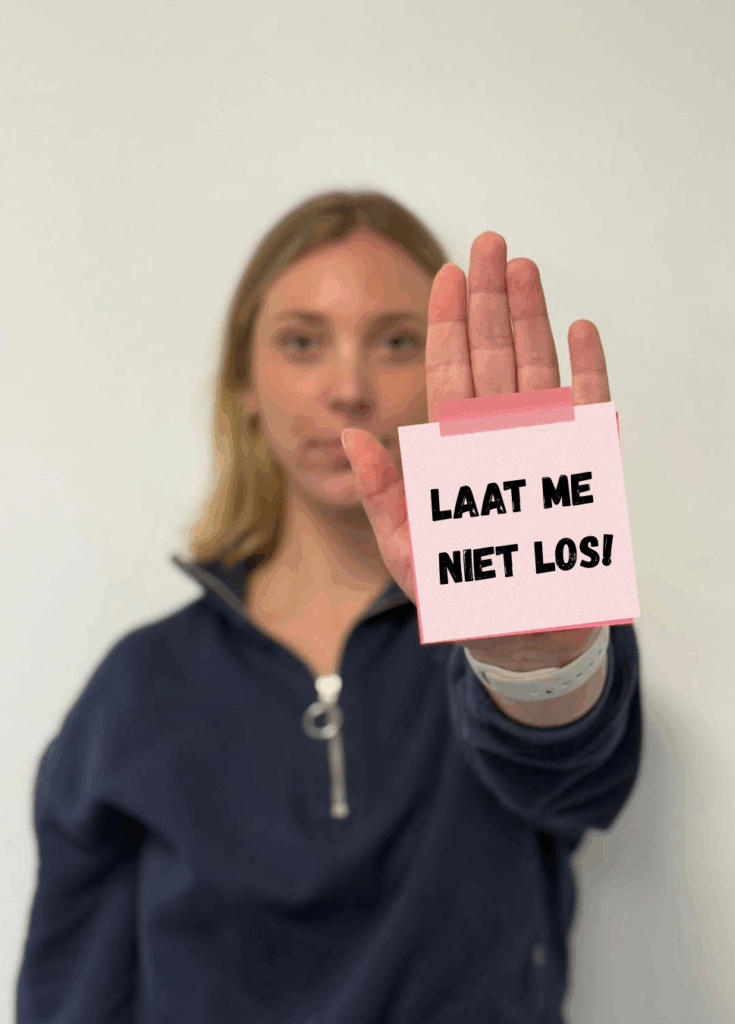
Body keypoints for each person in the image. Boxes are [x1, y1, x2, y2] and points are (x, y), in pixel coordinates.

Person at [16, 190, 642, 1023]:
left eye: (396, 341)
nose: (348, 388)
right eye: (302, 341)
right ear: (244, 382)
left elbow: (574, 781)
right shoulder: (138, 687)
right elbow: (70, 998)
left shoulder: (536, 622)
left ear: (439, 372)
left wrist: (529, 664)